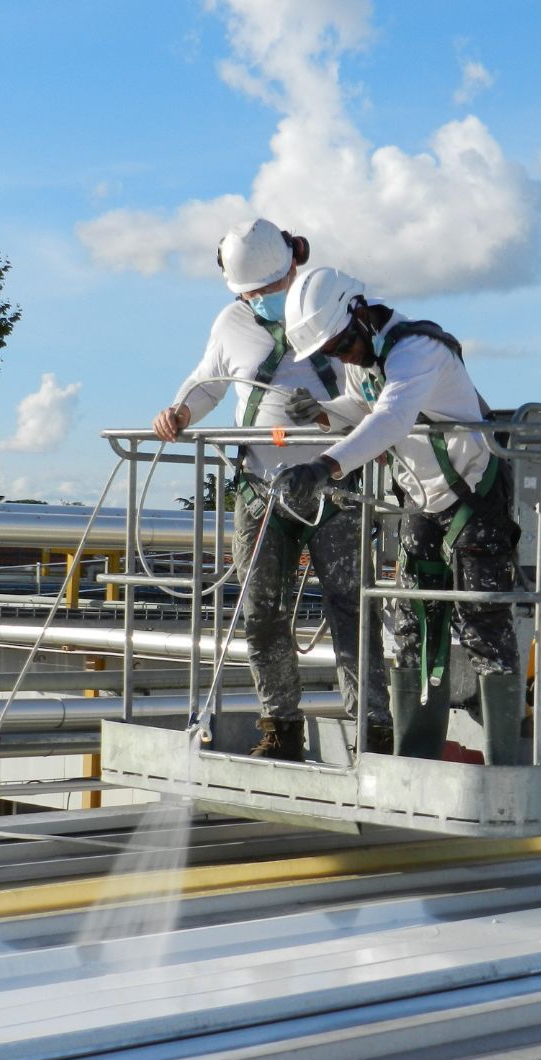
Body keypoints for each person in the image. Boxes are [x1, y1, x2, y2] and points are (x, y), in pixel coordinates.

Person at [151, 221, 392, 762]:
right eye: (252, 293)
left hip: (334, 481)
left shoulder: (332, 309)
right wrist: (181, 411)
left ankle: (375, 731)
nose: (261, 300)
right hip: (260, 484)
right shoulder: (232, 322)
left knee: (351, 607)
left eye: (268, 289)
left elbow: (374, 390)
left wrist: (335, 419)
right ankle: (281, 728)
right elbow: (209, 380)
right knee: (260, 611)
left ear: (293, 265)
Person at [276, 266, 521, 763]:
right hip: (422, 499)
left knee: (483, 624)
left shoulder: (418, 351)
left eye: (342, 345)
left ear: (359, 310)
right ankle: (417, 754)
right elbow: (366, 404)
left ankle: (504, 762)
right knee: (411, 624)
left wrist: (326, 466)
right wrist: (326, 412)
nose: (341, 355)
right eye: (330, 352)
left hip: (473, 497)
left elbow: (391, 418)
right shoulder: (362, 357)